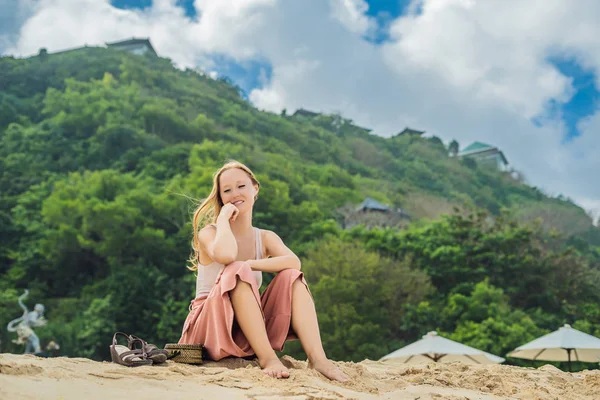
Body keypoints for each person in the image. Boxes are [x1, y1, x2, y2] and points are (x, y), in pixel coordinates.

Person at [179, 161, 349, 381]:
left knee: (292, 277)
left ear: (255, 189)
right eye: (227, 190)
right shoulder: (210, 233)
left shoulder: (265, 237)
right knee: (236, 268)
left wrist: (251, 264)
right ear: (221, 198)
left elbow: (293, 262)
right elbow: (227, 256)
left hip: (247, 328)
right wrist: (222, 219)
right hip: (207, 328)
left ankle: (318, 359)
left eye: (241, 186)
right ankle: (268, 359)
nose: (235, 194)